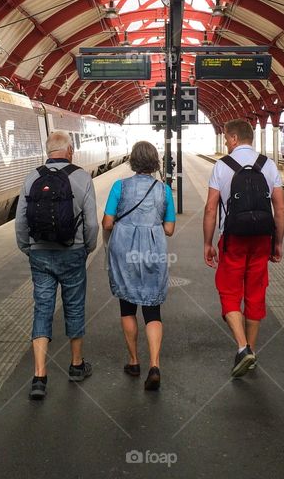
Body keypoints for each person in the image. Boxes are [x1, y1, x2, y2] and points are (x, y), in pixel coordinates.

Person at [15, 130, 98, 400]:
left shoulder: (32, 177)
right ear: (70, 150)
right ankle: (76, 365)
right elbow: (92, 223)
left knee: (43, 308)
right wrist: (87, 247)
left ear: (47, 151)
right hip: (72, 252)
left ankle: (39, 376)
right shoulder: (82, 176)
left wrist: (27, 247)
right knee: (74, 306)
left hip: (40, 254)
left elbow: (21, 222)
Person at [203, 119, 284, 378]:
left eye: (227, 138)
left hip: (233, 238)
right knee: (255, 291)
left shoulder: (221, 166)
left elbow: (210, 208)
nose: (226, 142)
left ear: (235, 138)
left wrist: (207, 242)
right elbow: (280, 209)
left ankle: (242, 348)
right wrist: (278, 242)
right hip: (262, 237)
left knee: (229, 291)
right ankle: (252, 349)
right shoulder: (268, 165)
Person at [102, 141, 175, 391]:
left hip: (124, 252)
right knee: (152, 310)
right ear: (155, 162)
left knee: (127, 307)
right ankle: (155, 365)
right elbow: (170, 228)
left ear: (132, 160)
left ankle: (134, 362)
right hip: (153, 251)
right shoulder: (163, 190)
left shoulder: (119, 187)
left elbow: (108, 222)